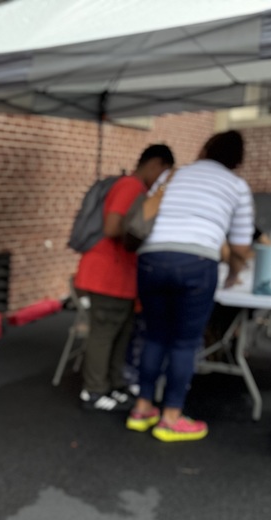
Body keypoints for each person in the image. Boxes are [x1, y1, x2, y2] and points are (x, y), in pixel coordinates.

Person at [126, 130, 255, 441]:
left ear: (204, 149)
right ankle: (171, 417)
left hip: (151, 258)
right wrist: (233, 273)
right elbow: (240, 248)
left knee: (155, 335)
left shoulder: (173, 175)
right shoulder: (237, 186)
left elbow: (149, 213)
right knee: (184, 342)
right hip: (197, 262)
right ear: (238, 160)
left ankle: (142, 408)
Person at [74, 144, 175, 411]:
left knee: (121, 334)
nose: (162, 179)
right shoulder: (131, 187)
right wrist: (141, 228)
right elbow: (111, 227)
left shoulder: (136, 189)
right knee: (104, 333)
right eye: (163, 172)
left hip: (120, 278)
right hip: (108, 275)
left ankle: (114, 385)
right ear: (155, 164)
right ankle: (94, 390)